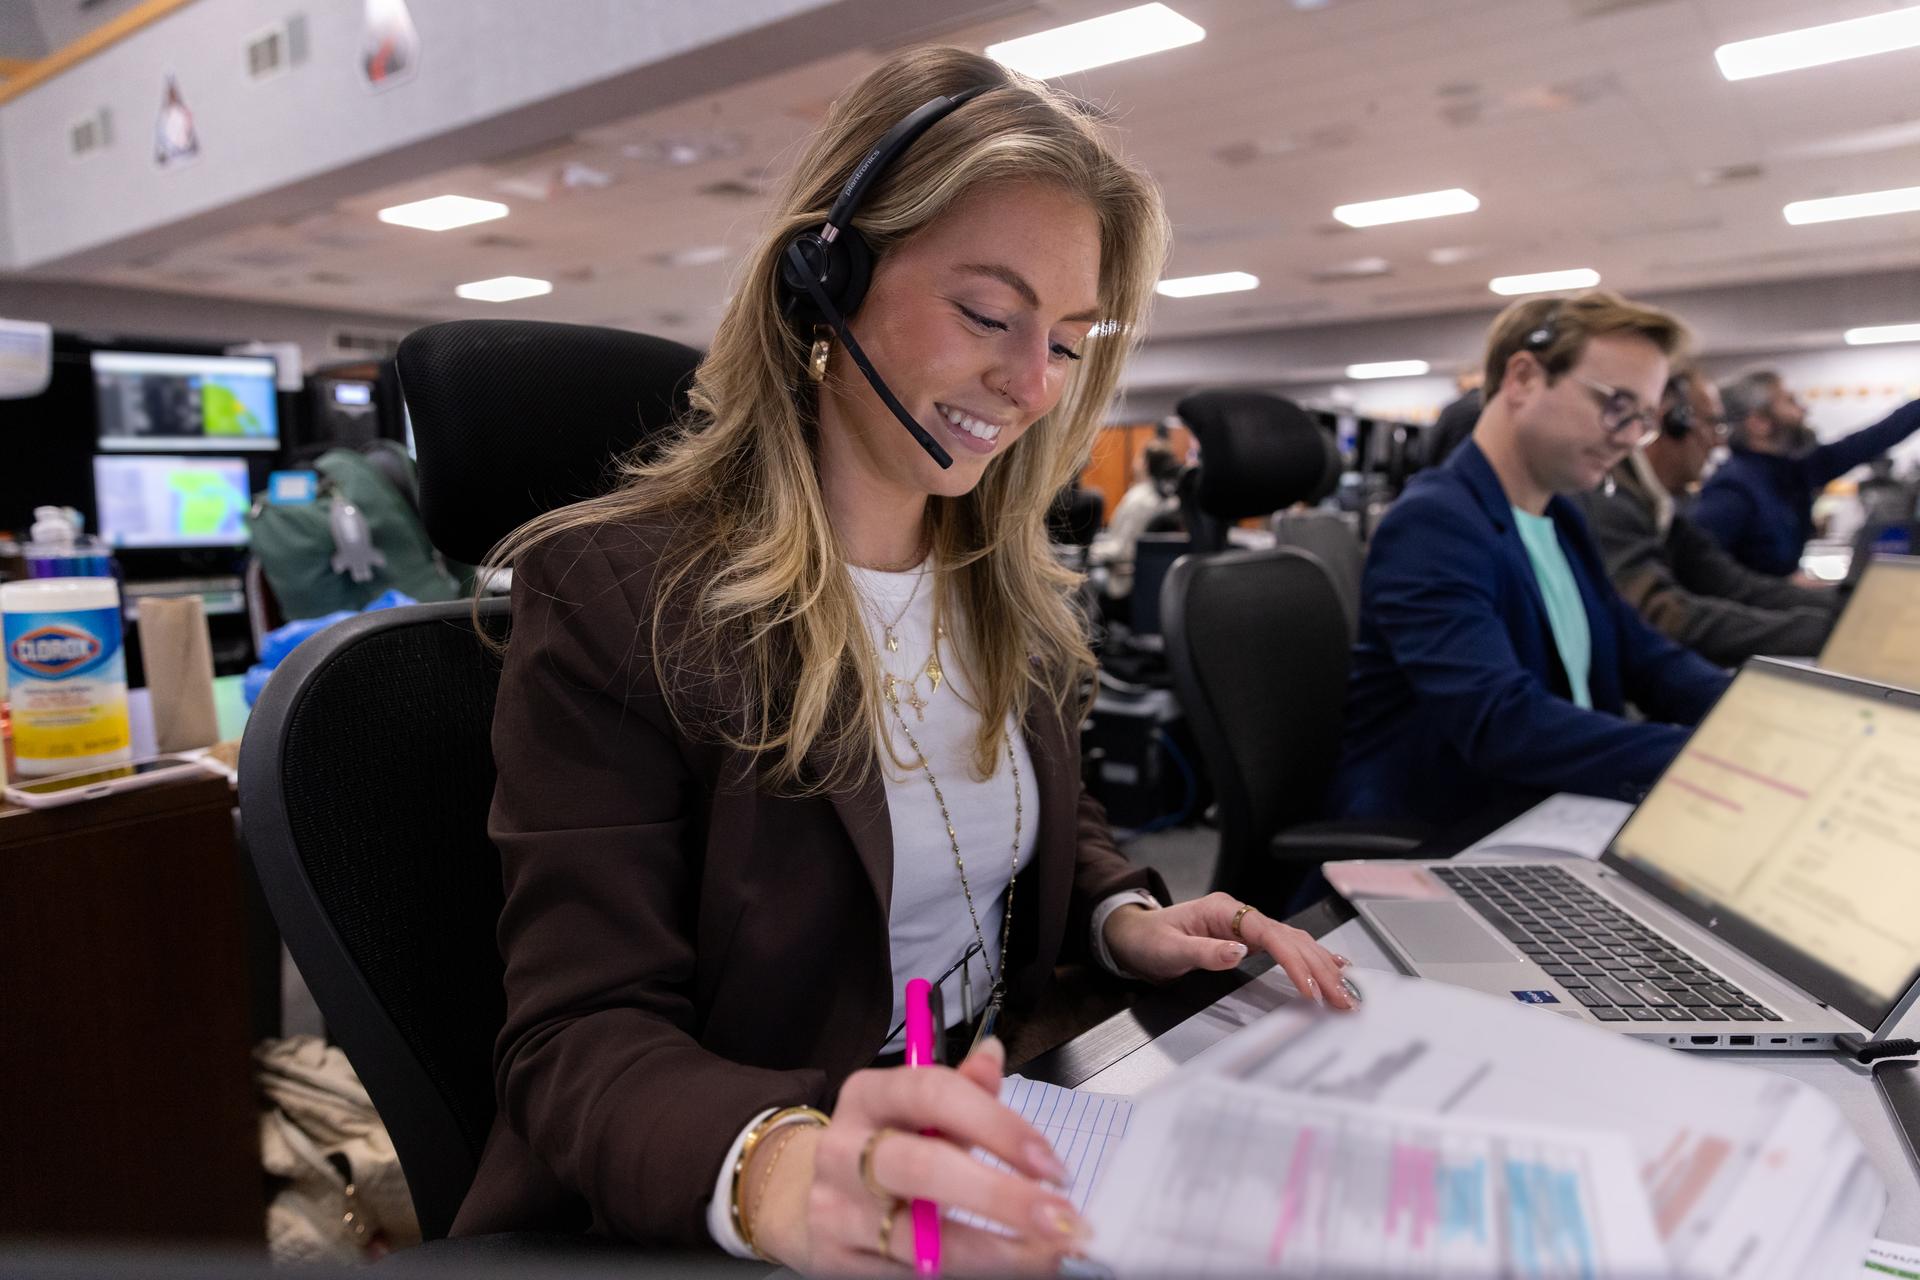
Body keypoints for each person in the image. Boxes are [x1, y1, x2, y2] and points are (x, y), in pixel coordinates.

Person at [453, 47, 1355, 1271]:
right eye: (988, 314)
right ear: (825, 283)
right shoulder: (625, 597)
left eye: (1070, 339)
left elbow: (1045, 816)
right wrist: (786, 1167)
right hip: (758, 1207)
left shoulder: (1004, 580)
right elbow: (575, 1036)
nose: (1032, 382)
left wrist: (1119, 913)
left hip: (1005, 1120)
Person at [1333, 290, 1730, 830]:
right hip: (1455, 836)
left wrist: (1755, 717)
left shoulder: (1560, 519)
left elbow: (1649, 660)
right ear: (1522, 378)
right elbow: (1504, 723)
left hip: (1554, 811)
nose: (1629, 441)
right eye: (1617, 407)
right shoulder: (1433, 525)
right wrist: (1710, 759)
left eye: (1642, 420)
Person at [1575, 368, 1840, 666]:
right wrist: (1834, 631)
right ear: (1672, 422)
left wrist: (1846, 607)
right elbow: (1666, 617)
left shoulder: (1658, 506)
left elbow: (1733, 584)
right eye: (1712, 424)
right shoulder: (1608, 502)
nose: (1717, 443)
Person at [1691, 370, 1920, 577]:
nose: (1804, 410)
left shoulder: (1793, 471)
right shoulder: (1733, 489)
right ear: (1759, 422)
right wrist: (1786, 587)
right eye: (1790, 402)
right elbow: (1701, 570)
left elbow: (1872, 439)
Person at [1091, 437, 1180, 602]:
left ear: (1145, 464)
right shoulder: (1169, 499)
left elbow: (1121, 550)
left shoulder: (1138, 500)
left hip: (1124, 584)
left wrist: (1089, 551)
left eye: (1139, 457)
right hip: (1155, 585)